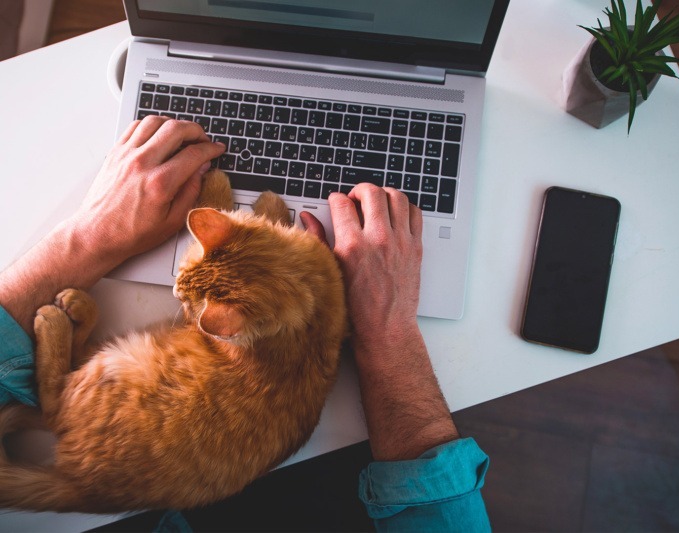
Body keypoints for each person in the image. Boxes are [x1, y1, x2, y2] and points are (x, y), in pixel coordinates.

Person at [0, 116, 490, 531]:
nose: (178, 297)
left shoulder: (244, 328)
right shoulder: (289, 308)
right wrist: (390, 331)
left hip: (162, 464)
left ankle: (56, 396)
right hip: (220, 476)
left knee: (104, 388)